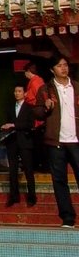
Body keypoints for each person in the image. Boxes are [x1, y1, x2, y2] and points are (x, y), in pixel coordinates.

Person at [36, 55, 79, 227]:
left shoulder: (76, 87)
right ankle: (67, 218)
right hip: (56, 141)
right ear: (52, 70)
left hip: (76, 140)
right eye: (59, 65)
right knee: (59, 181)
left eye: (65, 65)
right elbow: (37, 113)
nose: (63, 68)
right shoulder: (46, 89)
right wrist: (45, 107)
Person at [0, 84, 37, 207]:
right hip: (12, 142)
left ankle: (32, 196)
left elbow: (30, 124)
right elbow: (7, 122)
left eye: (19, 91)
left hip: (25, 141)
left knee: (28, 170)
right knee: (12, 170)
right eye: (15, 91)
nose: (17, 93)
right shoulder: (10, 107)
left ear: (24, 93)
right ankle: (14, 196)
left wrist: (14, 125)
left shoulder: (29, 107)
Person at [23, 60, 46, 169]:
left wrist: (27, 96)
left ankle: (41, 164)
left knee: (38, 142)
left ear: (28, 72)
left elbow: (39, 98)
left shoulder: (36, 81)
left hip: (37, 115)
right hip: (34, 113)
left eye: (25, 72)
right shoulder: (35, 81)